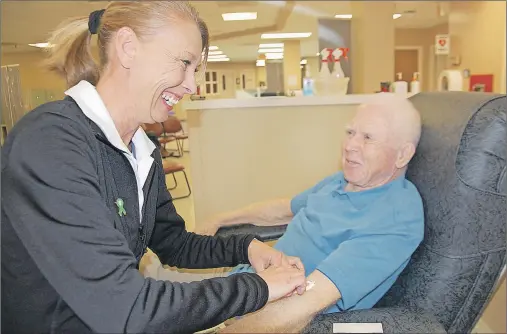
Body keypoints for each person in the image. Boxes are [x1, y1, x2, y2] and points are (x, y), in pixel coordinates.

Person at [0, 2, 307, 334]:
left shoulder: (141, 149)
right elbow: (125, 308)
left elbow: (173, 242)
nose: (191, 85)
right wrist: (259, 288)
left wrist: (246, 246)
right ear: (128, 48)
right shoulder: (50, 143)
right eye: (184, 63)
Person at [145, 93, 425, 333]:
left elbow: (309, 302)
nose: (351, 145)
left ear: (402, 155)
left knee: (144, 310)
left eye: (368, 138)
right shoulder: (341, 181)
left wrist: (231, 323)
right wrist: (221, 219)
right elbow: (282, 209)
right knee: (141, 291)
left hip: (269, 315)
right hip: (245, 285)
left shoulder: (395, 217)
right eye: (350, 132)